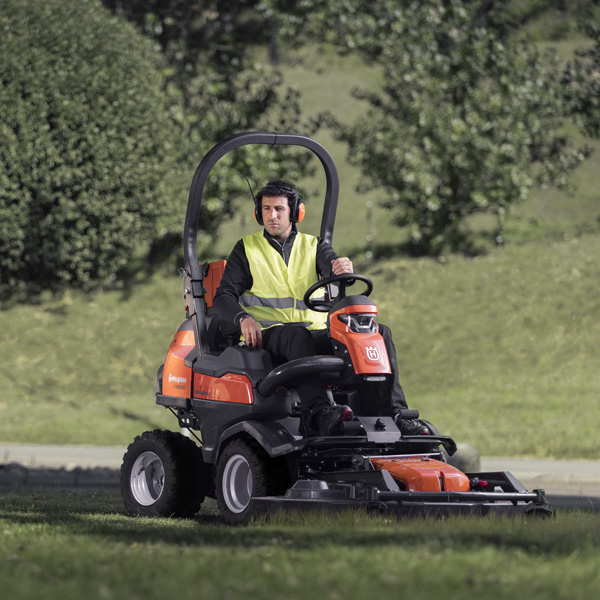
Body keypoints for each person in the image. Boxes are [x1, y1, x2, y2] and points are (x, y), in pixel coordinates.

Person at [213, 179, 428, 437]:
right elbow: (224, 295)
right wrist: (242, 319)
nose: (272, 215)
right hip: (270, 333)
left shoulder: (314, 246)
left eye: (279, 209)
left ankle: (394, 412)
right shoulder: (247, 248)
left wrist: (342, 270)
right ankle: (318, 413)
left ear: (294, 212)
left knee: (378, 333)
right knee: (297, 335)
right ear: (258, 213)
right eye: (267, 209)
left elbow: (333, 270)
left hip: (316, 331)